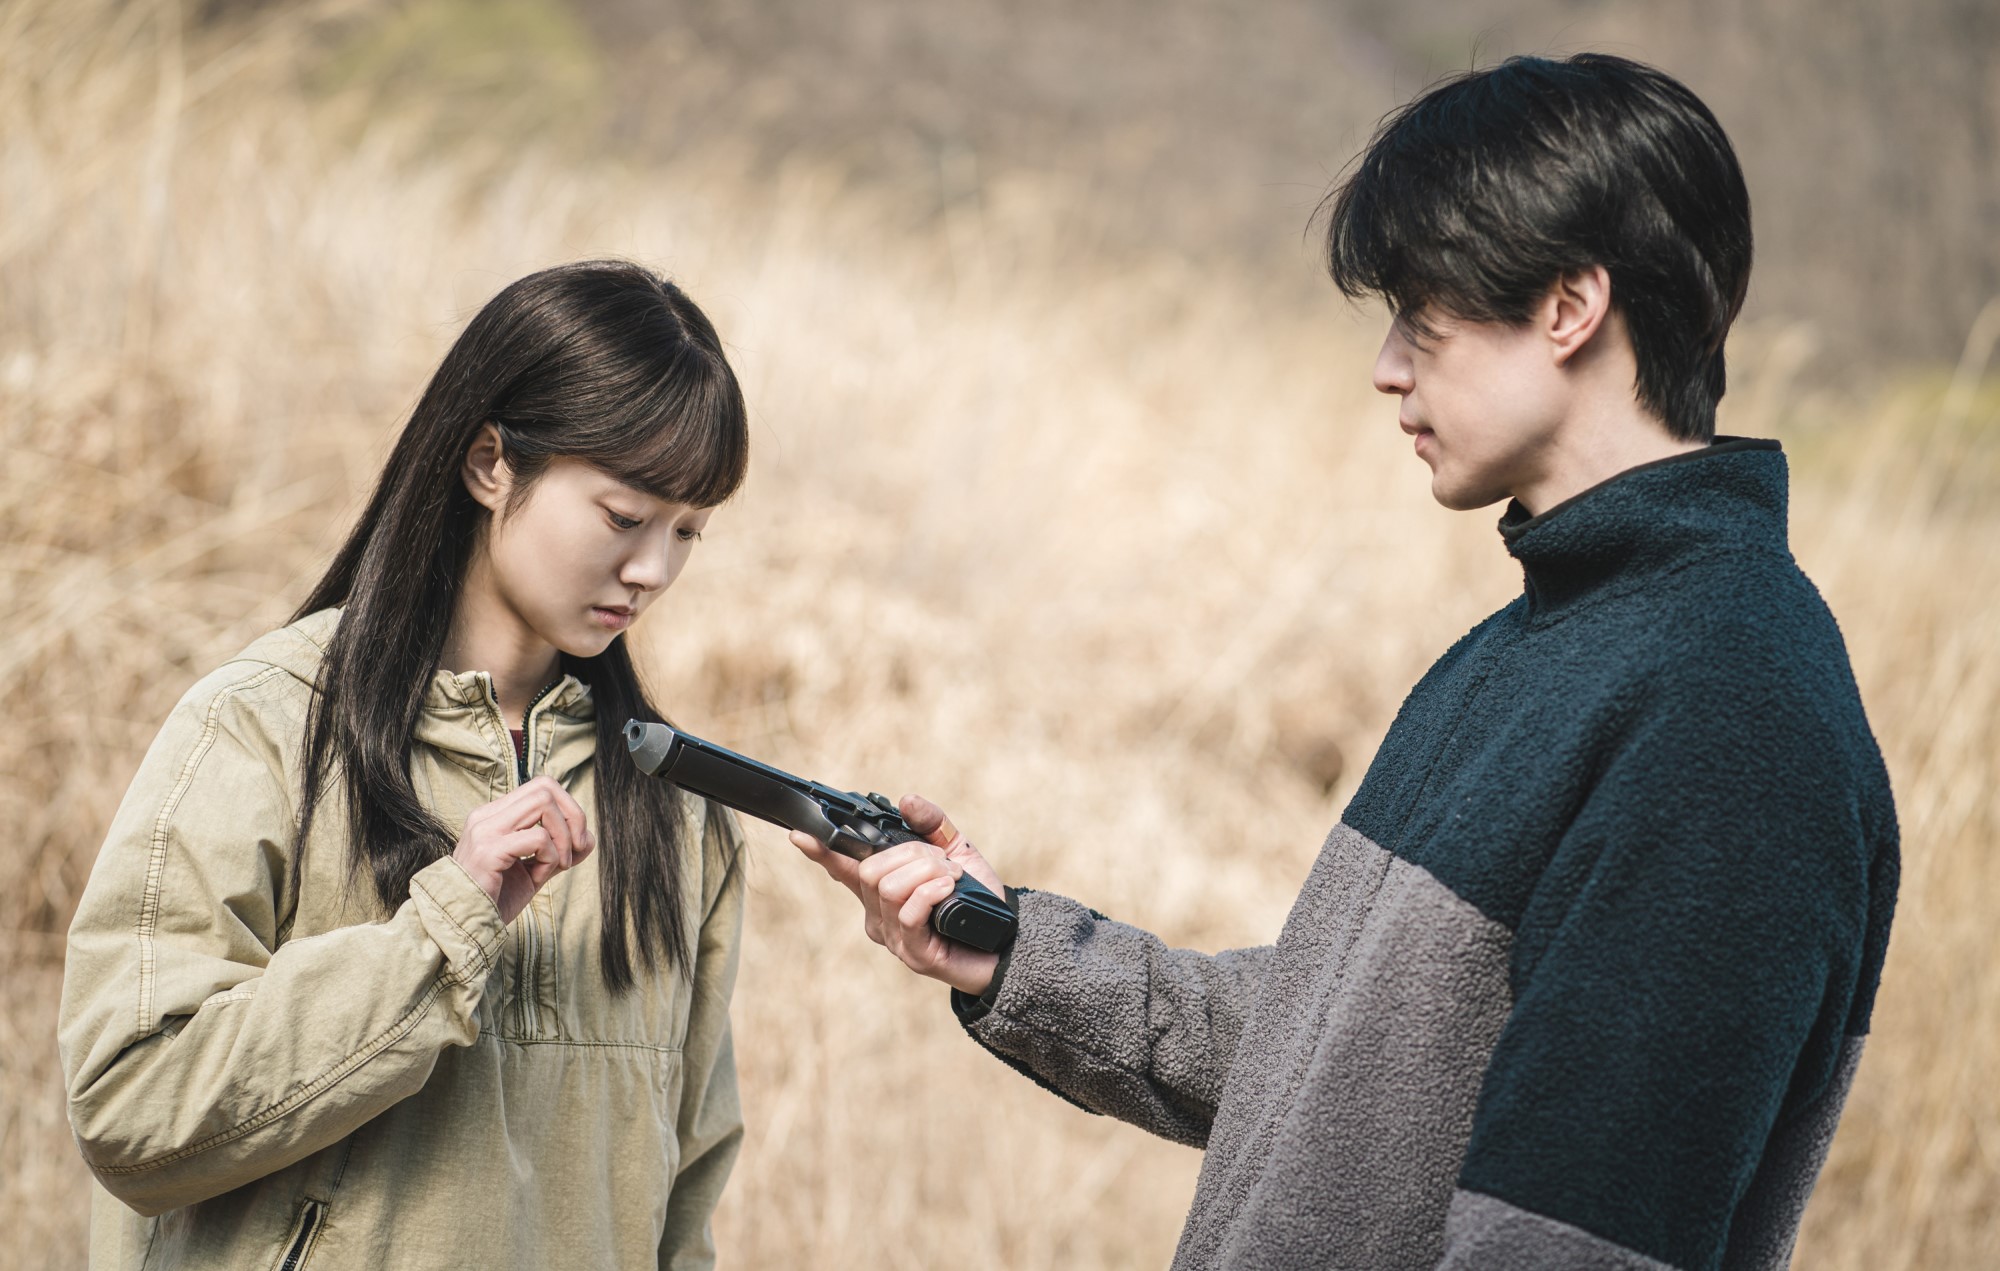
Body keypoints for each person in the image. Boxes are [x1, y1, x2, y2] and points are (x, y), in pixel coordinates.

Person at [792, 54, 1899, 1270]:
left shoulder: (1728, 716)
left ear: (1568, 307)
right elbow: (1342, 1065)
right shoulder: (1535, 646)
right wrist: (1011, 953)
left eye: (1420, 313)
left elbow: (1567, 1244)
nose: (1386, 366)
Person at [59, 260, 751, 1269]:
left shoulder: (676, 808)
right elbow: (130, 1104)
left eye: (688, 530)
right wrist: (439, 932)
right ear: (489, 463)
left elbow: (682, 1201)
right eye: (622, 515)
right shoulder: (262, 725)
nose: (653, 568)